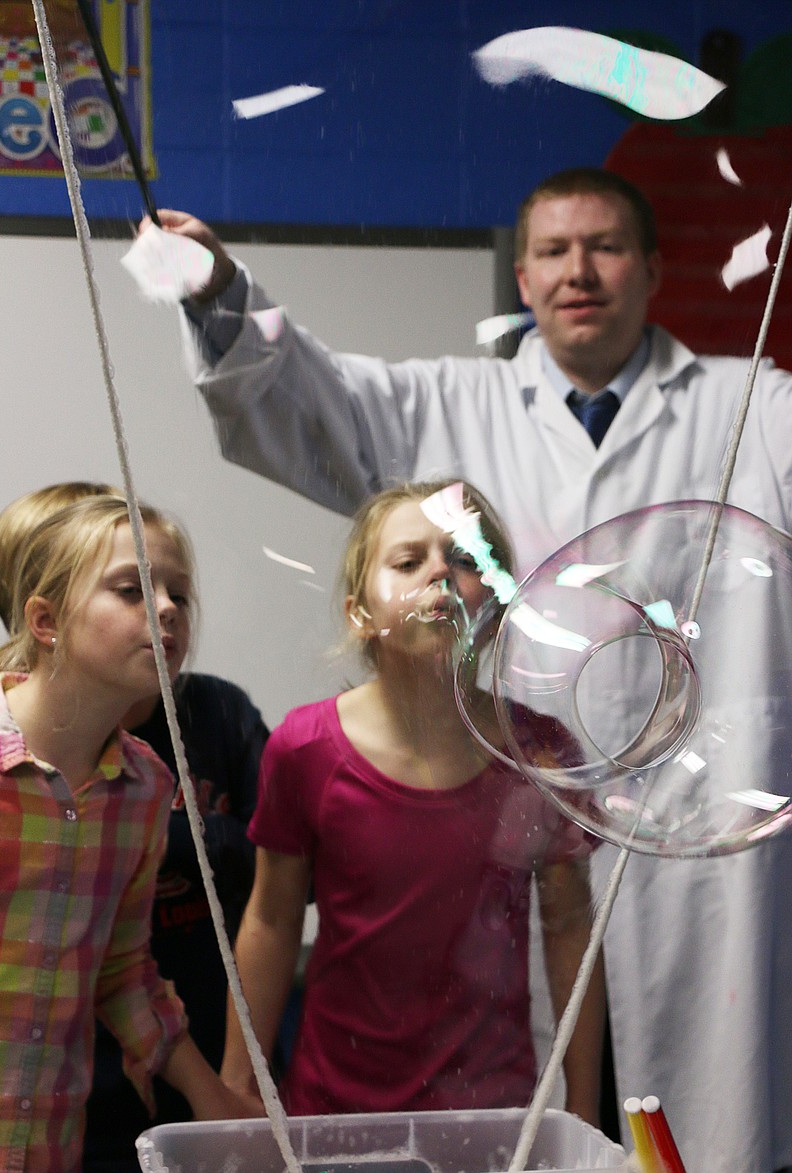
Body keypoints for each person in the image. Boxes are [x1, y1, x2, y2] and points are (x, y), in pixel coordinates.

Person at [142, 166, 792, 1173]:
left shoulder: (757, 406)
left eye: (605, 246)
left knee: (702, 1124)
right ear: (521, 278)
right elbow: (300, 396)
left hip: (706, 854)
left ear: (654, 269)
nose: (579, 271)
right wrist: (219, 292)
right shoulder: (442, 402)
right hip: (501, 852)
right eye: (552, 251)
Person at [220, 479, 604, 1121]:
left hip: (492, 1120)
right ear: (358, 614)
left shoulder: (538, 752)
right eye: (407, 561)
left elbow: (569, 929)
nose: (440, 572)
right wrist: (238, 1090)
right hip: (333, 1113)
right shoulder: (303, 748)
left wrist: (586, 1111)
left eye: (465, 559)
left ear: (501, 603)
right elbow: (272, 922)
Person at [0, 482, 271, 1173]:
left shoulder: (145, 786)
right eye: (133, 589)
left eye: (179, 592)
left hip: (50, 1146)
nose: (169, 609)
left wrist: (211, 1095)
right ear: (46, 620)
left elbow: (121, 966)